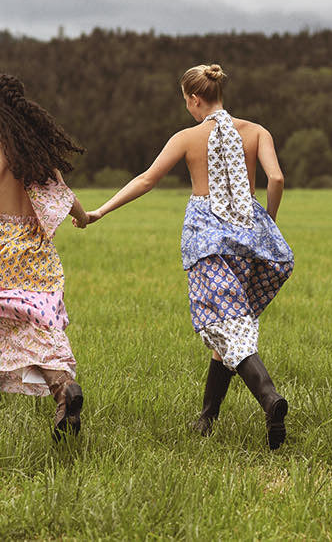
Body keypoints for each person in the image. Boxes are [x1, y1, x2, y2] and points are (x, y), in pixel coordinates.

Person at [85, 64, 294, 449]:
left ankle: (270, 398)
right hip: (247, 242)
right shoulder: (258, 131)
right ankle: (207, 418)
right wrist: (266, 224)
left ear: (195, 98)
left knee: (225, 325)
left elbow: (147, 179)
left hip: (209, 244)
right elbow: (277, 179)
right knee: (226, 326)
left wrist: (101, 210)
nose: (188, 109)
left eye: (187, 102)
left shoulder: (187, 137)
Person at [0, 74, 89, 440]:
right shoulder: (35, 151)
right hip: (34, 253)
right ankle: (64, 390)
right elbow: (65, 196)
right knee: (43, 332)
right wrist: (84, 217)